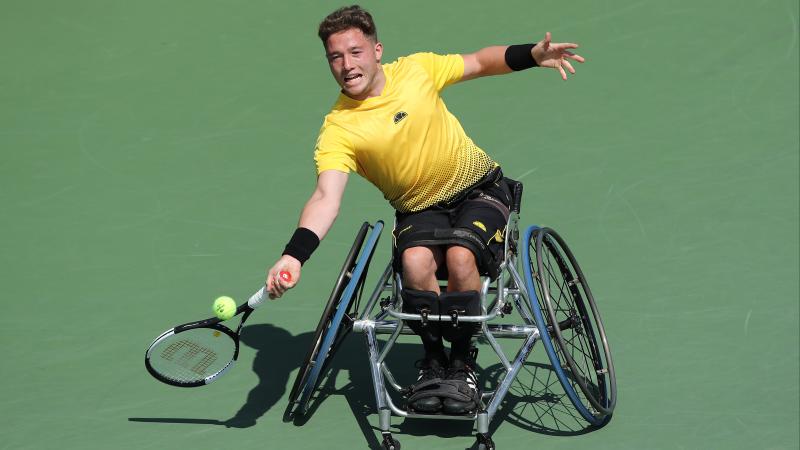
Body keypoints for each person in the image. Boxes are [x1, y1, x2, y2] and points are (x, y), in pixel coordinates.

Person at [265, 5, 584, 414]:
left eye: (355, 52)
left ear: (377, 50)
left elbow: (479, 62)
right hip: (418, 211)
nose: (347, 65)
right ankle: (434, 361)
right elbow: (326, 197)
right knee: (414, 262)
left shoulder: (416, 70)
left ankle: (462, 360)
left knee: (461, 254)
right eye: (335, 57)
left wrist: (531, 55)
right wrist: (294, 255)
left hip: (479, 190)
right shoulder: (338, 128)